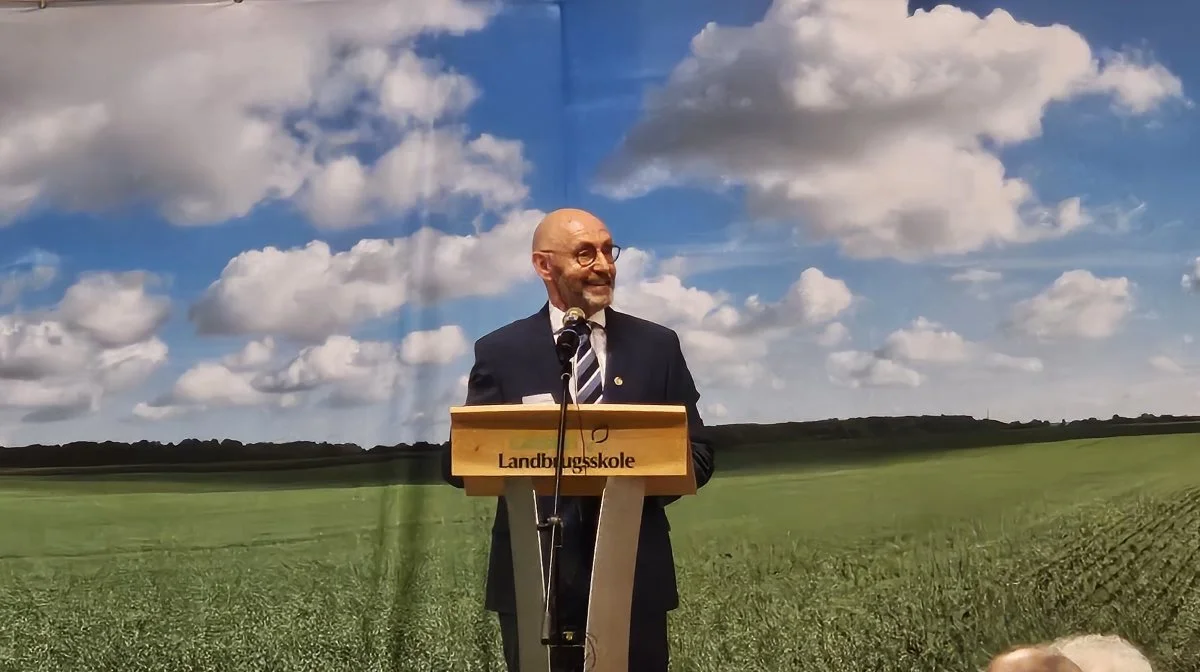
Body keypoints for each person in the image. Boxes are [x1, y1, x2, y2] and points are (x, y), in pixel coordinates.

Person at [441, 207, 716, 672]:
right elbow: (461, 459)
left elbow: (700, 455)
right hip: (535, 579)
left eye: (609, 251)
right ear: (544, 266)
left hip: (633, 576)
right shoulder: (501, 351)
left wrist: (626, 483)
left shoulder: (657, 345)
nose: (604, 265)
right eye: (585, 253)